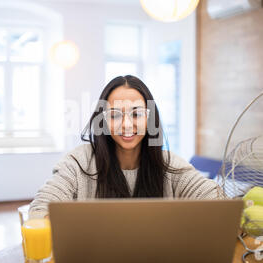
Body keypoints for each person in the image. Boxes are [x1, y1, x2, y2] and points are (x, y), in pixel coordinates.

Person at [29, 75, 225, 214]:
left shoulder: (169, 165)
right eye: (114, 115)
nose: (127, 125)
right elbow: (41, 210)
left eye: (137, 113)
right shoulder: (78, 163)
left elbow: (218, 204)